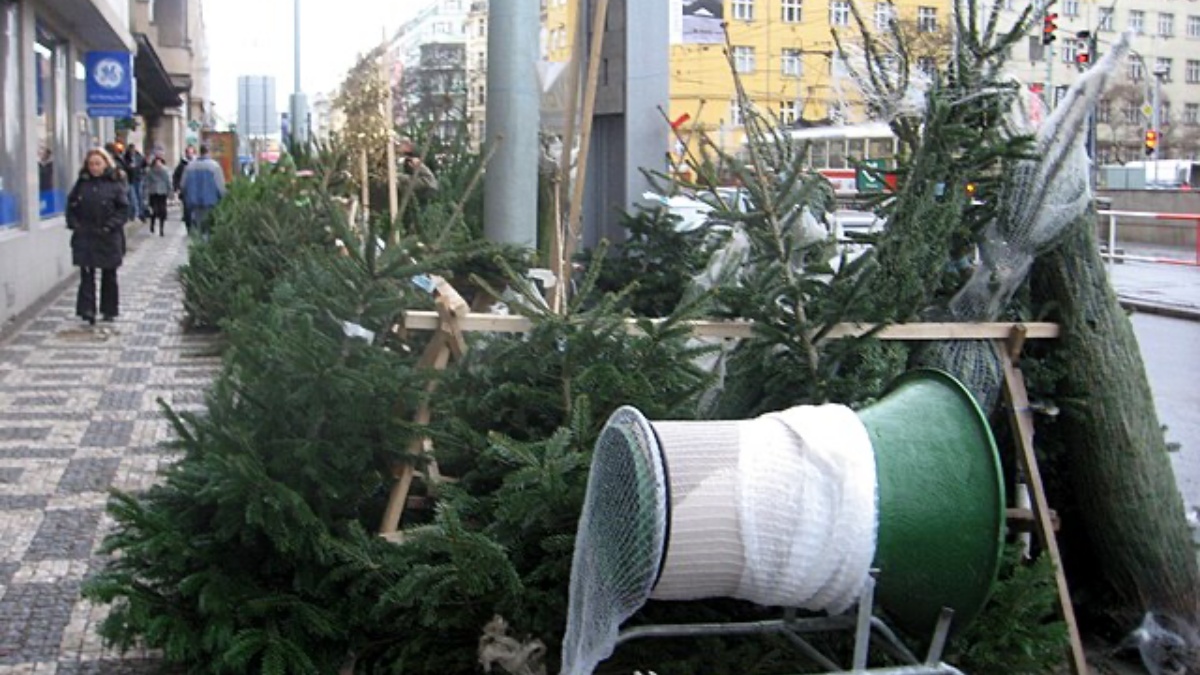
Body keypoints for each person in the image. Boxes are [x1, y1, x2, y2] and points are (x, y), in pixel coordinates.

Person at [67, 149, 128, 325]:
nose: (94, 168)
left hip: (108, 236)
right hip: (85, 235)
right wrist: (74, 224)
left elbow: (123, 209)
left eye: (97, 163)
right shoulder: (82, 184)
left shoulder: (115, 184)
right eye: (91, 164)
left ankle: (109, 309)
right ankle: (87, 310)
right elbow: (71, 205)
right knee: (86, 273)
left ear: (105, 164)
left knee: (109, 274)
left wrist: (110, 225)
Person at [180, 144, 226, 240]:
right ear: (208, 152)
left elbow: (183, 185)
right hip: (210, 201)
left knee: (196, 223)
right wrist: (223, 197)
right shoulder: (214, 166)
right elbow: (220, 186)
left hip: (193, 201)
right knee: (208, 225)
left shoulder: (189, 166)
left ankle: (197, 243)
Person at [145, 156, 172, 235]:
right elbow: (147, 183)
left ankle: (161, 229)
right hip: (153, 192)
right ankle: (152, 224)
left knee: (162, 210)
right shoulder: (150, 171)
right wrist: (146, 193)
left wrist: (170, 191)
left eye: (159, 162)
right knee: (154, 210)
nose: (158, 164)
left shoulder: (165, 171)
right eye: (157, 162)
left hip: (162, 192)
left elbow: (168, 181)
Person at [122, 143, 147, 222]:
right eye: (131, 150)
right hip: (130, 180)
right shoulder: (126, 158)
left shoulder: (139, 157)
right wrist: (129, 167)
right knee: (133, 198)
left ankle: (140, 213)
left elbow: (144, 165)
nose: (132, 151)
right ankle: (135, 213)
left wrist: (142, 171)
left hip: (138, 178)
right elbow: (124, 167)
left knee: (139, 196)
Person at [173, 145, 195, 232]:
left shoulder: (196, 163)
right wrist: (177, 187)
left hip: (194, 189)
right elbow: (176, 176)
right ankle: (188, 223)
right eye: (188, 152)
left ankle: (192, 223)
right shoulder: (182, 164)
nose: (190, 154)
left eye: (191, 152)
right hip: (185, 190)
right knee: (186, 207)